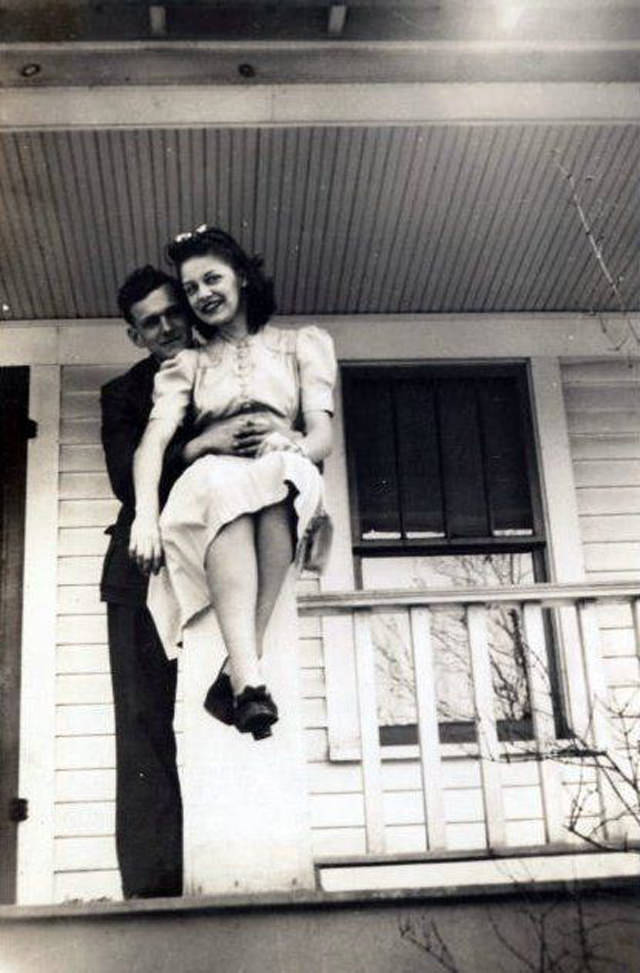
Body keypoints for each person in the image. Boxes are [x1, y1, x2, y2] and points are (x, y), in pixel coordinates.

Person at [129, 226, 336, 741]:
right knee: (224, 484)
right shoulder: (188, 364)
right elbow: (152, 444)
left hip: (281, 470)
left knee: (282, 475)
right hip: (215, 479)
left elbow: (322, 437)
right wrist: (144, 517)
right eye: (192, 287)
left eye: (212, 278)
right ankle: (248, 682)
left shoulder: (299, 346)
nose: (203, 294)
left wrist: (292, 444)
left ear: (242, 277)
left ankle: (241, 674)